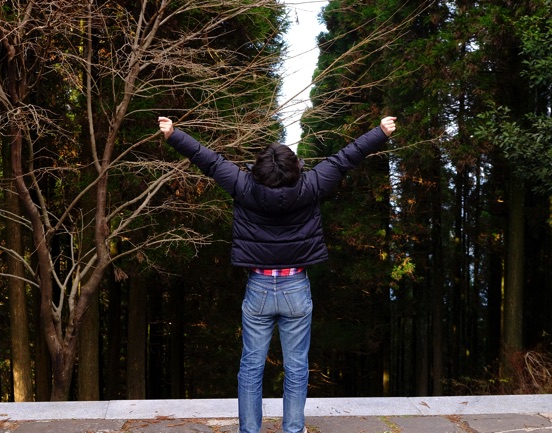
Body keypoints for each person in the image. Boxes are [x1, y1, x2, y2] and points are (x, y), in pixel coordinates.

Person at [158, 115, 396, 433]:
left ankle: (249, 431)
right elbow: (345, 158)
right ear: (295, 168)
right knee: (296, 366)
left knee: (251, 366)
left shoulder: (243, 186)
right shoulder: (310, 185)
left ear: (258, 170)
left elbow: (210, 161)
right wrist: (380, 132)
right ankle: (293, 430)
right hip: (295, 286)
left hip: (258, 287)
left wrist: (174, 135)